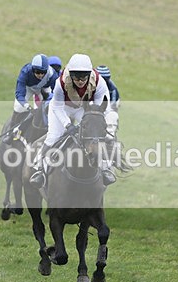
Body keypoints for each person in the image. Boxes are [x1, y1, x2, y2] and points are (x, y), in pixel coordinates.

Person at [29, 53, 116, 188]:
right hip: (61, 108)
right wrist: (67, 125)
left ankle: (105, 168)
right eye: (76, 76)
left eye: (84, 76)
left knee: (94, 134)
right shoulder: (61, 83)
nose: (80, 81)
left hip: (82, 108)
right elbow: (57, 107)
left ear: (90, 74)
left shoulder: (99, 82)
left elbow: (102, 107)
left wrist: (94, 122)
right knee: (54, 136)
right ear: (70, 74)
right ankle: (39, 168)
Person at [1, 53, 58, 144]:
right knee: (18, 107)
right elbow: (19, 93)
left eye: (43, 72)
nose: (40, 75)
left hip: (44, 88)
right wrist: (27, 106)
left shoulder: (52, 74)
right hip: (28, 88)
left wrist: (50, 99)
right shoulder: (25, 72)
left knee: (48, 106)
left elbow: (57, 92)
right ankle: (10, 133)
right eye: (37, 72)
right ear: (32, 69)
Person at [95, 64, 120, 138]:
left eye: (105, 80)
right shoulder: (91, 85)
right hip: (96, 106)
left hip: (109, 106)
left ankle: (111, 137)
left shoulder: (113, 89)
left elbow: (112, 106)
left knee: (112, 116)